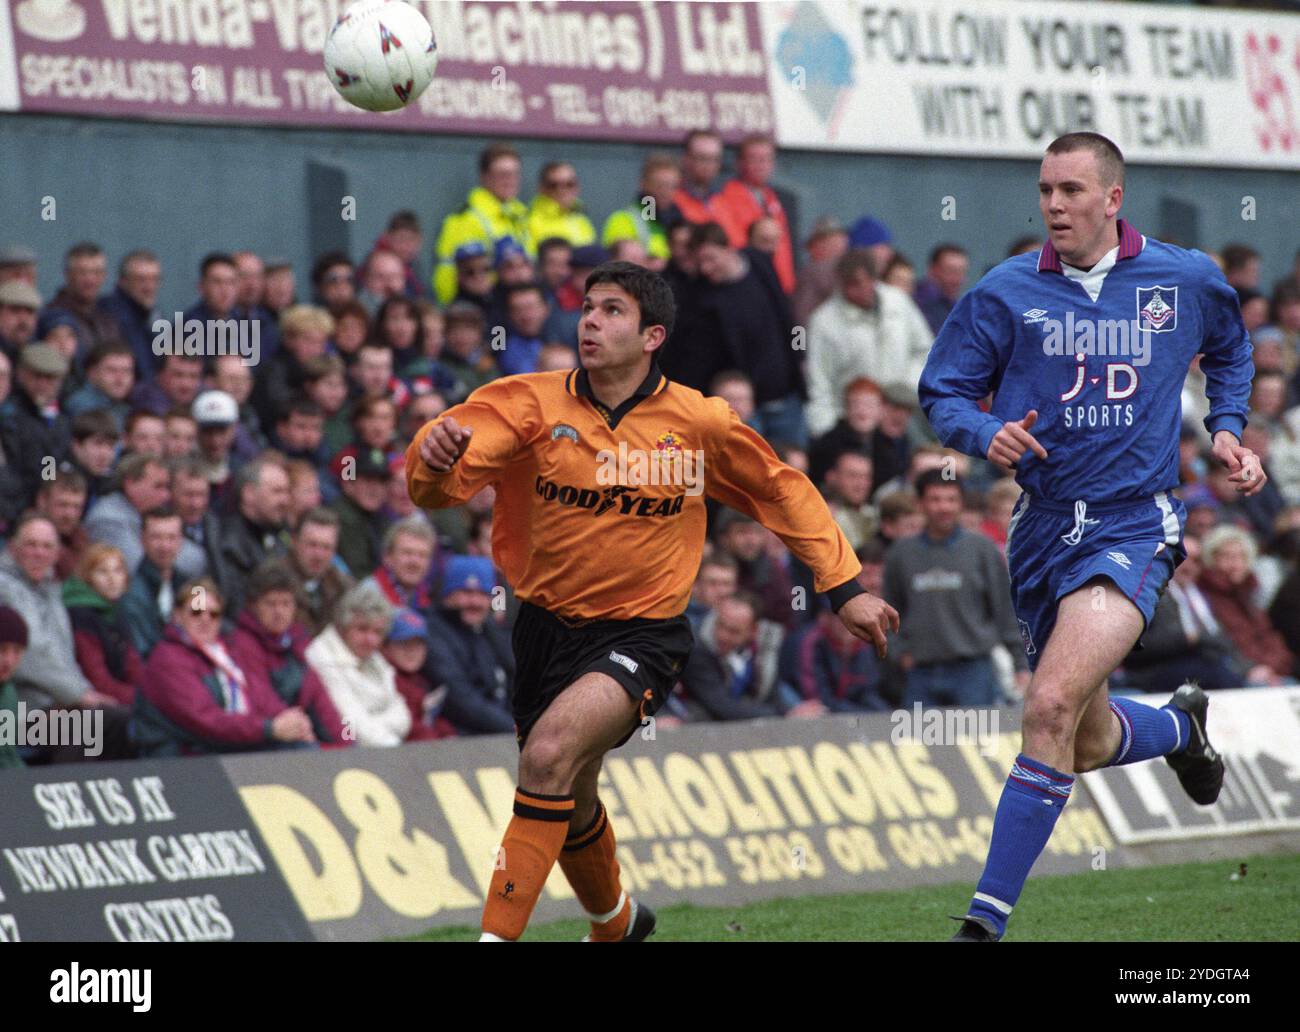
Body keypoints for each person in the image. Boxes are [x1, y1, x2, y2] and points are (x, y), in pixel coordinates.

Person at [407, 259, 896, 942]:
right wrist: (431, 459)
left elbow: (781, 490)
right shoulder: (526, 402)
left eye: (612, 311)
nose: (591, 322)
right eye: (587, 307)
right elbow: (437, 489)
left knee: (547, 756)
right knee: (570, 794)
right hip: (542, 628)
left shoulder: (698, 422)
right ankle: (617, 923)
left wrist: (843, 586)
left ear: (652, 336)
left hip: (642, 635)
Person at [919, 132, 1261, 941]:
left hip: (1134, 519)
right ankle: (1182, 728)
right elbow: (944, 391)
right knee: (1085, 734)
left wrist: (1228, 429)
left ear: (1113, 199)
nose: (1054, 206)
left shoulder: (1183, 278)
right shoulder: (1005, 291)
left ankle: (981, 926)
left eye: (1071, 191)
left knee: (1047, 706)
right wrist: (982, 433)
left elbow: (1232, 349)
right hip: (1040, 527)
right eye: (1045, 191)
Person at [882, 470, 1027, 708]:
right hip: (920, 670)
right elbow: (890, 608)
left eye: (951, 499)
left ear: (961, 503)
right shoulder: (901, 554)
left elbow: (1003, 610)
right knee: (920, 744)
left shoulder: (982, 549)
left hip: (974, 669)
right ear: (920, 504)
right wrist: (898, 654)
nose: (944, 507)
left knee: (976, 743)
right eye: (935, 499)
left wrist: (1020, 664)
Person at [133, 577, 316, 756]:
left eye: (213, 614)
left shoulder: (227, 650)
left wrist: (291, 720)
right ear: (177, 616)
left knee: (301, 747)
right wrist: (269, 728)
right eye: (196, 612)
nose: (205, 619)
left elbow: (260, 696)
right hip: (187, 755)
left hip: (228, 745)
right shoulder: (168, 658)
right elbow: (204, 720)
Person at [805, 249, 934, 438]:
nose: (854, 290)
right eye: (848, 284)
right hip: (853, 424)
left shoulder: (898, 302)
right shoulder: (823, 322)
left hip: (905, 415)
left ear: (874, 279)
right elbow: (820, 385)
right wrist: (826, 434)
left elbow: (926, 351)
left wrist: (903, 388)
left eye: (859, 283)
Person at [226, 563, 347, 745]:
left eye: (286, 603)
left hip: (298, 734)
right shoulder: (242, 643)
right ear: (253, 606)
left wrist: (349, 743)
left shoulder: (299, 641)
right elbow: (260, 698)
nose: (279, 612)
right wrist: (298, 727)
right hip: (266, 740)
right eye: (271, 604)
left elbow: (322, 700)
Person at [305, 582, 410, 747]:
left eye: (377, 632)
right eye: (362, 629)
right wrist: (395, 750)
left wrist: (373, 723)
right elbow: (350, 728)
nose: (370, 639)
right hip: (337, 754)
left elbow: (404, 718)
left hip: (381, 748)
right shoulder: (321, 657)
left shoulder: (375, 659)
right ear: (342, 626)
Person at [424, 554, 514, 736]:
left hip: (502, 733)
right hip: (462, 741)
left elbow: (520, 675)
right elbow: (459, 699)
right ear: (448, 595)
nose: (474, 601)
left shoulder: (488, 629)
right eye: (466, 593)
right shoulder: (433, 632)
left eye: (482, 594)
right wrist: (513, 727)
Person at [432, 143, 532, 304]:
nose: (510, 180)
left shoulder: (522, 216)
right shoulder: (464, 219)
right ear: (484, 177)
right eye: (502, 174)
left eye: (514, 174)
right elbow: (447, 276)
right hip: (484, 309)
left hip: (521, 308)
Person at [63, 544, 144, 707]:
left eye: (118, 570)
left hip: (121, 696)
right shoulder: (81, 615)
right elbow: (97, 679)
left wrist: (151, 693)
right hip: (93, 704)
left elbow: (133, 665)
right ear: (88, 577)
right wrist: (142, 701)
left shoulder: (115, 610)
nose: (112, 579)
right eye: (102, 571)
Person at [213, 454, 291, 611]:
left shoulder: (276, 534)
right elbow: (236, 606)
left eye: (287, 492)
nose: (285, 500)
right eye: (277, 492)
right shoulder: (230, 544)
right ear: (249, 494)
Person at [259, 507, 354, 634]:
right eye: (312, 545)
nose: (319, 555)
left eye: (326, 547)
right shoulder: (271, 579)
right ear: (294, 542)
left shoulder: (341, 584)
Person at [82, 452, 171, 572]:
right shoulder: (109, 520)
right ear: (130, 483)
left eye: (167, 487)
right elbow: (134, 568)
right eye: (158, 486)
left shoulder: (141, 514)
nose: (166, 496)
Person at [120, 507, 186, 659]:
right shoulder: (131, 593)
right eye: (156, 537)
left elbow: (203, 626)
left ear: (181, 540)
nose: (164, 546)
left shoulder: (193, 586)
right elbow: (144, 652)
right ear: (142, 539)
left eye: (171, 538)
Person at [98, 249, 161, 378]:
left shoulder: (150, 313)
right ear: (123, 281)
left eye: (155, 279)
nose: (149, 287)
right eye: (141, 279)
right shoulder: (110, 314)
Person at [527, 161, 596, 248]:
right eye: (553, 185)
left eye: (569, 184)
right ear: (541, 188)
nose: (562, 190)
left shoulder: (582, 221)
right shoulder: (530, 222)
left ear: (577, 187)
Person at [912, 244, 970, 335]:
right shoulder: (916, 301)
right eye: (951, 271)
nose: (957, 279)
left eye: (961, 272)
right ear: (932, 270)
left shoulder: (957, 307)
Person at [0, 606, 30, 769]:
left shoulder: (8, 692)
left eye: (17, 651)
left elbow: (7, 754)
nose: (9, 661)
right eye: (2, 649)